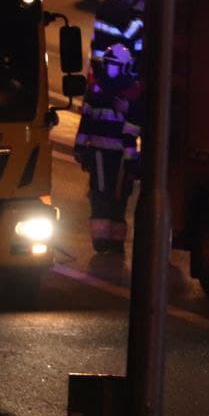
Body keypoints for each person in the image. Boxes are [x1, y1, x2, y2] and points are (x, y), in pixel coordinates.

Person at [74, 43, 142, 256]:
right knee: (101, 195)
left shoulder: (132, 93)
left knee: (120, 198)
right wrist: (79, 146)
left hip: (122, 158)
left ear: (124, 67)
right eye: (109, 65)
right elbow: (86, 121)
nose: (111, 69)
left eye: (115, 66)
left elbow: (135, 126)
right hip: (99, 154)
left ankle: (116, 242)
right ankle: (102, 240)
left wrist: (132, 159)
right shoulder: (96, 90)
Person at [93, 0, 146, 65]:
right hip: (113, 66)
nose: (134, 2)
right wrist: (142, 13)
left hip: (104, 62)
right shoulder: (117, 9)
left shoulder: (108, 4)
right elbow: (133, 33)